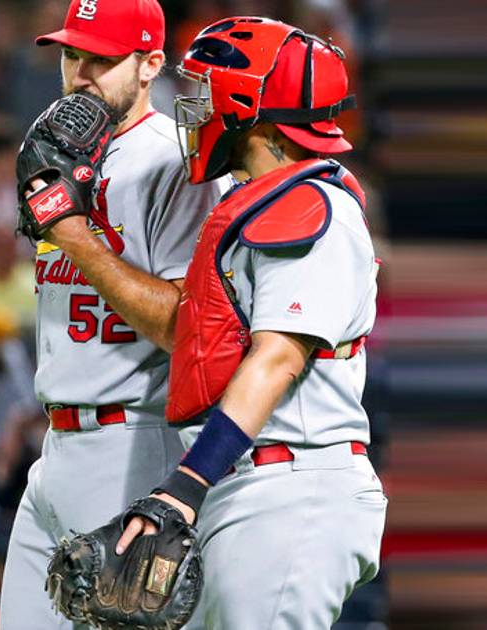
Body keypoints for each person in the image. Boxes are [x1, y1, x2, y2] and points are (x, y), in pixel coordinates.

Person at [114, 17, 388, 629]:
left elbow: (277, 358)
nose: (194, 109)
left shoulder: (312, 209)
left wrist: (186, 483)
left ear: (249, 111)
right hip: (254, 480)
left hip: (292, 483)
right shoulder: (263, 199)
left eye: (208, 93)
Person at [0, 0, 228, 627]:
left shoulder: (177, 162)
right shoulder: (53, 147)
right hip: (55, 445)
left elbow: (183, 326)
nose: (80, 74)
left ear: (151, 64)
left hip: (132, 445)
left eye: (102, 59)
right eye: (72, 55)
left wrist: (73, 235)